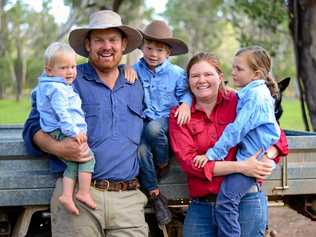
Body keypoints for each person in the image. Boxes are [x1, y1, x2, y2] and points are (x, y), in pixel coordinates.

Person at [23, 10, 149, 237]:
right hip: (76, 199)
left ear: (124, 44)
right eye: (99, 40)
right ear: (88, 45)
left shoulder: (137, 83)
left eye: (113, 40)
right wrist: (59, 148)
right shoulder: (67, 78)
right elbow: (32, 128)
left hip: (128, 198)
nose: (106, 46)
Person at [169, 52, 288, 237]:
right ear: (188, 81)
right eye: (195, 76)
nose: (202, 80)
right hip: (201, 206)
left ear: (220, 77)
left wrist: (266, 158)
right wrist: (243, 167)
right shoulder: (180, 115)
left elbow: (277, 135)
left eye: (208, 74)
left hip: (245, 200)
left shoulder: (238, 101)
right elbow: (192, 164)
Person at [133, 20, 192, 225]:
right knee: (140, 150)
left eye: (159, 50)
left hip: (168, 121)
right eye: (149, 48)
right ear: (142, 47)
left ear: (168, 53)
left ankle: (163, 162)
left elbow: (185, 92)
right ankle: (155, 195)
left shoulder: (176, 74)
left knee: (154, 128)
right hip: (145, 119)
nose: (153, 54)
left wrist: (185, 104)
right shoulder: (134, 70)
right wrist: (125, 72)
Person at [35, 42, 96, 215]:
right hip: (62, 130)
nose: (70, 71)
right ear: (49, 70)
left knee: (72, 163)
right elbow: (62, 113)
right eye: (64, 68)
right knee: (87, 158)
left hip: (58, 129)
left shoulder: (49, 85)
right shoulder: (58, 89)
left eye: (73, 66)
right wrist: (73, 132)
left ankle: (67, 196)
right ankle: (83, 192)